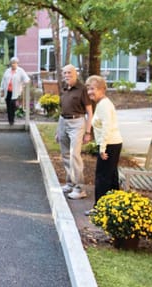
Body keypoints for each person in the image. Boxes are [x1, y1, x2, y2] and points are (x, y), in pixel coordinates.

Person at [84, 75, 123, 215]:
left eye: (92, 88)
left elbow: (107, 127)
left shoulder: (104, 105)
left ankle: (99, 208)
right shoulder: (102, 103)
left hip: (110, 145)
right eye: (88, 89)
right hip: (112, 143)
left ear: (101, 89)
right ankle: (114, 207)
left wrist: (102, 148)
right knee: (111, 176)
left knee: (102, 177)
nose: (90, 92)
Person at [56, 64, 93, 200]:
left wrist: (88, 132)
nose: (67, 75)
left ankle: (80, 188)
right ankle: (70, 183)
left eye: (69, 73)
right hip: (63, 122)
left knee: (74, 155)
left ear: (75, 73)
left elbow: (89, 111)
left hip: (77, 122)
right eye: (65, 73)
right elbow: (62, 110)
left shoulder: (82, 89)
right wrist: (57, 131)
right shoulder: (64, 88)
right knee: (65, 154)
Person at [0, 57, 30, 125]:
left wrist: (25, 83)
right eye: (12, 63)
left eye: (15, 63)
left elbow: (26, 79)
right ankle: (10, 120)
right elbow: (3, 81)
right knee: (8, 106)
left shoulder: (20, 71)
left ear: (17, 64)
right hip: (8, 92)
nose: (13, 64)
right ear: (10, 64)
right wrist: (2, 90)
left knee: (12, 104)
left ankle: (12, 120)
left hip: (15, 92)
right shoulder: (7, 71)